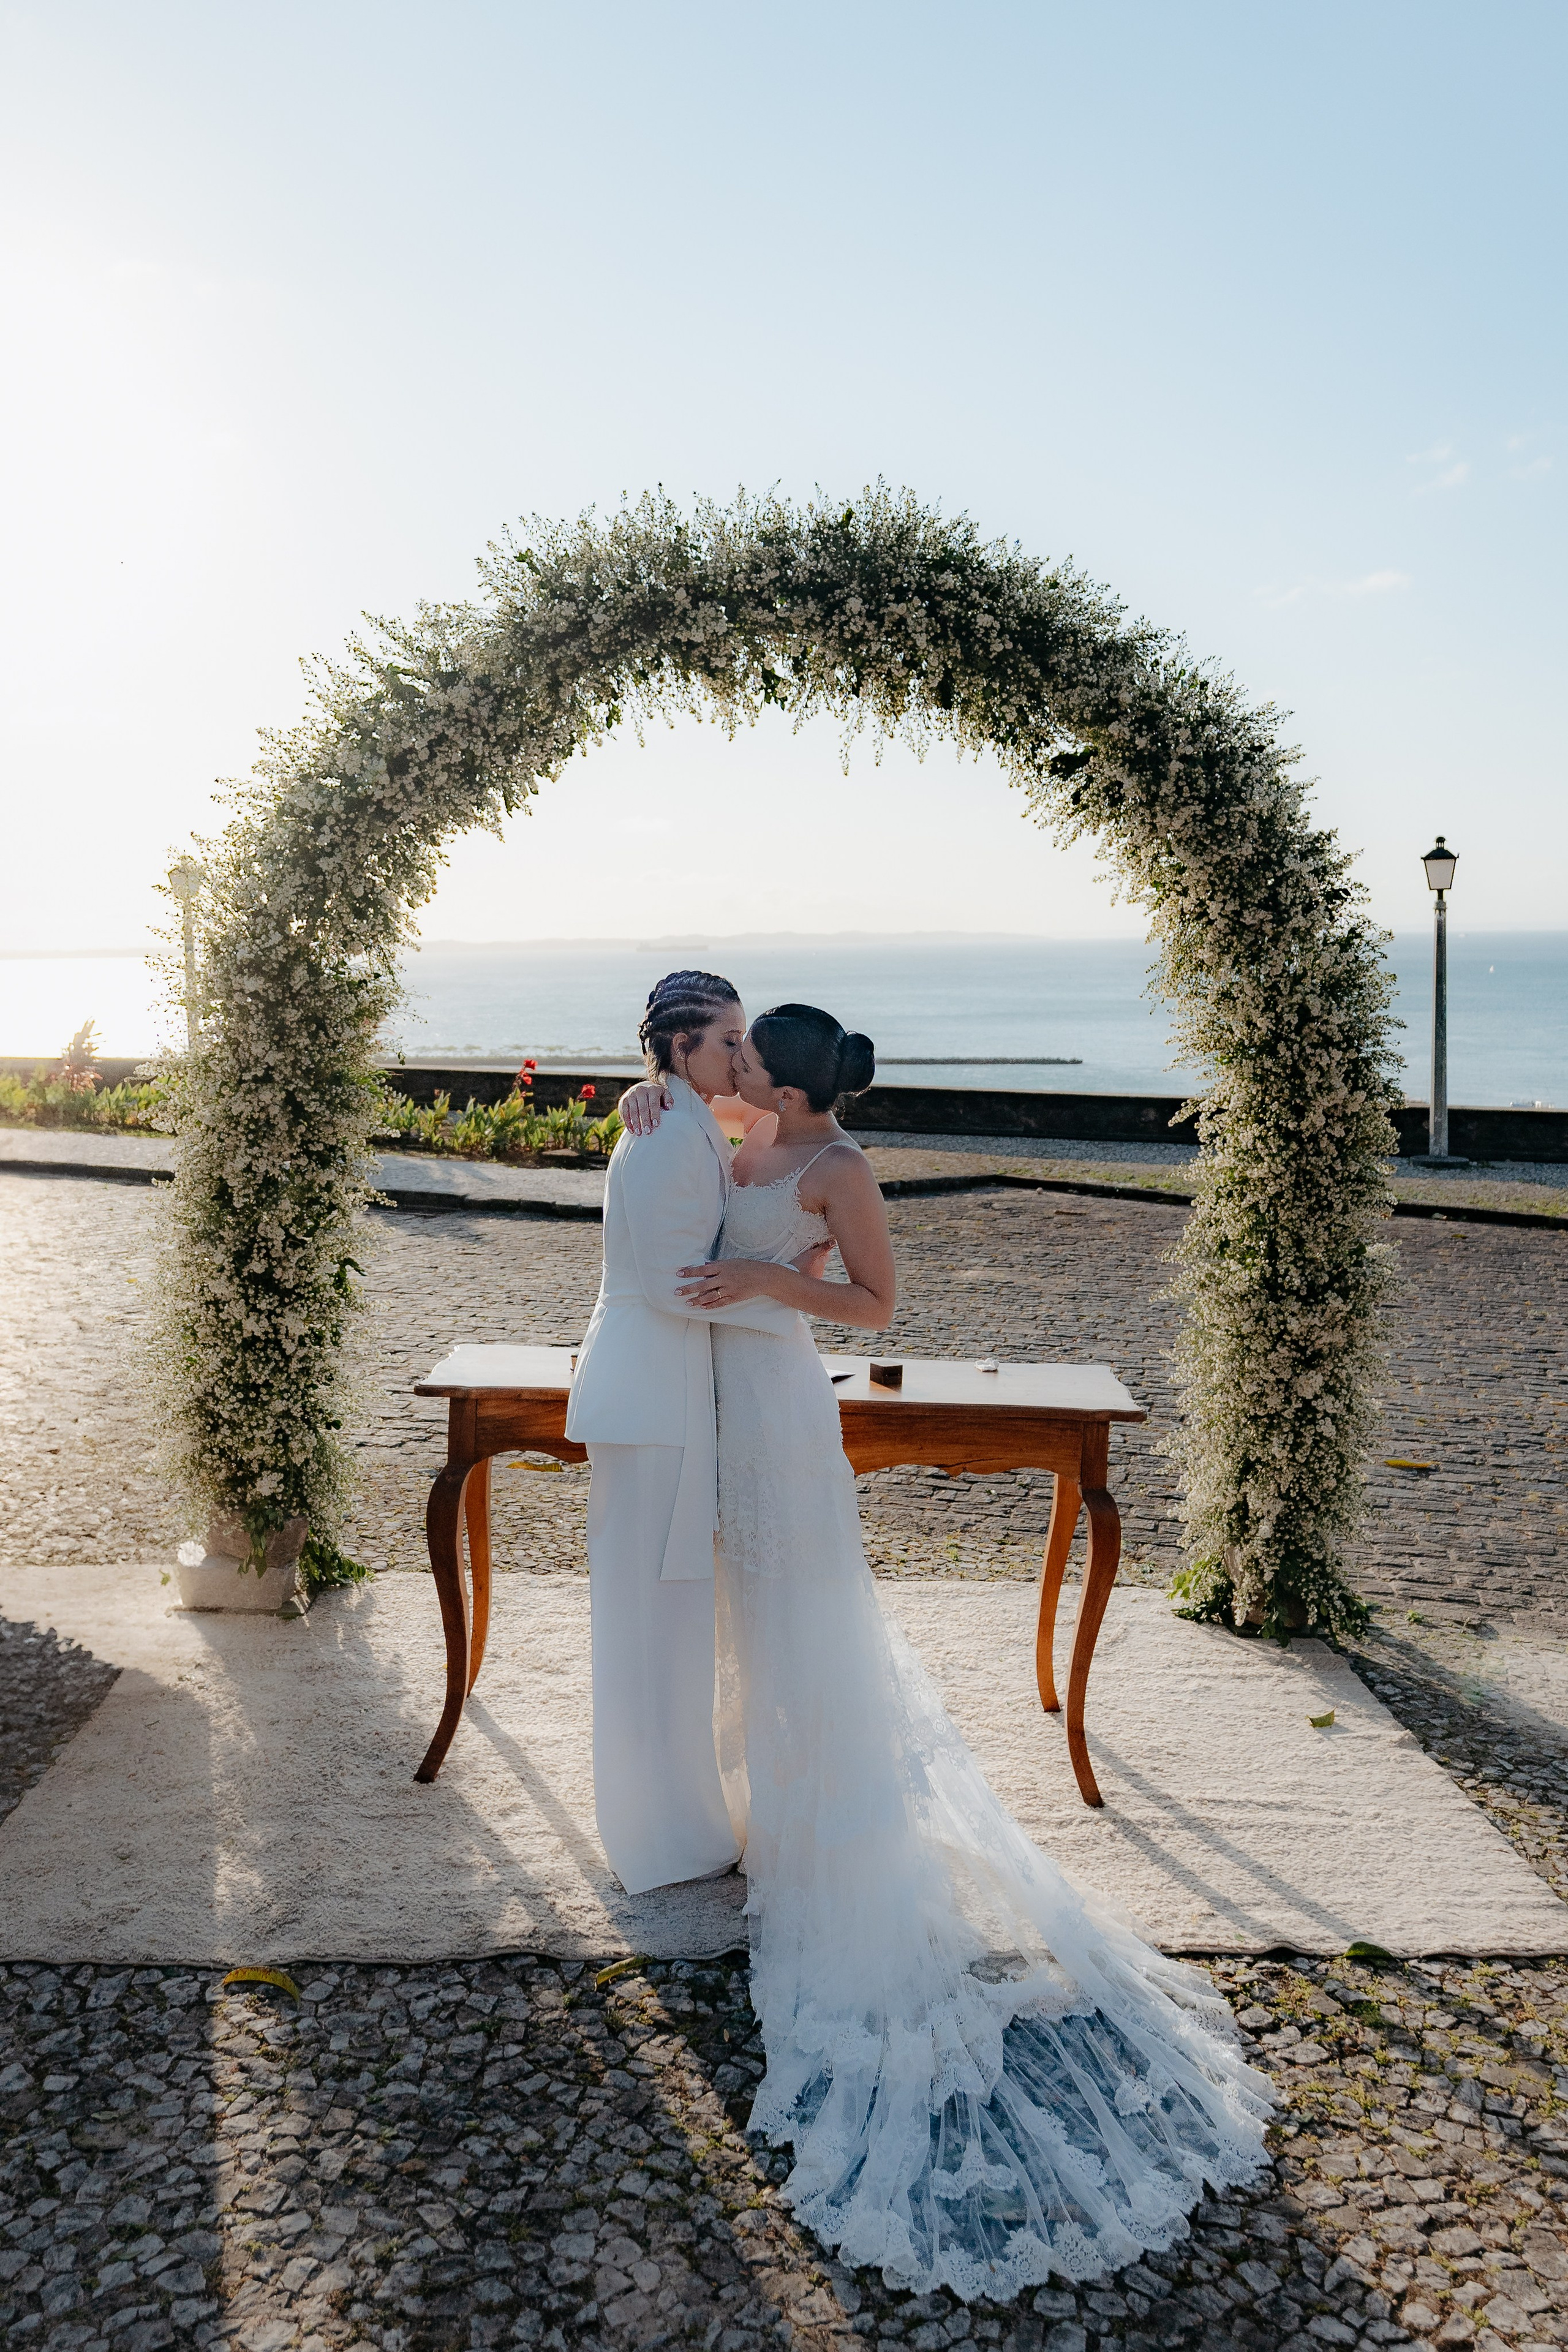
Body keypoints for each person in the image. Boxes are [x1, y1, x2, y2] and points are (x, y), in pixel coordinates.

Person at [617, 1004, 1272, 2302]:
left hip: (784, 1408)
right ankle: (751, 1809)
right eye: (726, 1052)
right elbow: (669, 1117)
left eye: (747, 1057)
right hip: (715, 1412)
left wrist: (762, 1281)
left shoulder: (837, 1169)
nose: (729, 1063)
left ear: (793, 1087)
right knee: (743, 1628)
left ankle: (823, 1839)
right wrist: (639, 1098)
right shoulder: (741, 1126)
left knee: (810, 1633)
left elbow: (873, 1304)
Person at [565, 971, 822, 1899]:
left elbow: (769, 1148)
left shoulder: (678, 1119)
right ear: (680, 1049)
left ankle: (680, 1818)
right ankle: (662, 1838)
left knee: (665, 1618)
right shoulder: (668, 1133)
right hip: (652, 1391)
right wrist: (789, 1286)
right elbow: (686, 1287)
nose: (742, 1057)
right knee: (651, 1624)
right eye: (726, 1041)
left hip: (661, 1387)